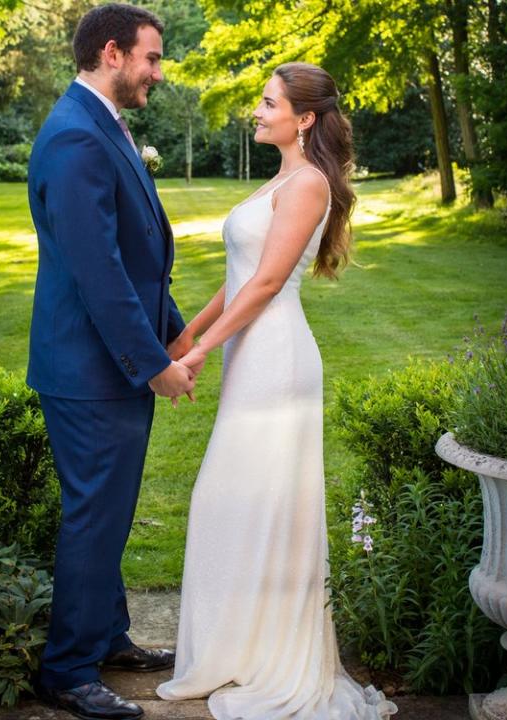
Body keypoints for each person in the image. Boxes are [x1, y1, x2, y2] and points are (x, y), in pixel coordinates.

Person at [155, 63, 399, 720]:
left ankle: (268, 659)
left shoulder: (310, 183)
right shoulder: (284, 179)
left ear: (305, 117)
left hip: (277, 360)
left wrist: (201, 352)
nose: (257, 112)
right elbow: (242, 278)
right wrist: (190, 333)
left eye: (268, 103)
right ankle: (237, 651)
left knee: (238, 503)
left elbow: (266, 287)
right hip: (251, 355)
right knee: (234, 504)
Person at [25, 4, 198, 719]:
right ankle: (67, 670)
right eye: (152, 58)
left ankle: (107, 636)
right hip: (91, 371)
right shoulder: (75, 137)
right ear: (112, 52)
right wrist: (152, 361)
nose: (158, 72)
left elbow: (133, 255)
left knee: (110, 512)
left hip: (106, 367)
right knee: (94, 516)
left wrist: (177, 329)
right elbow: (97, 274)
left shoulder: (100, 125)